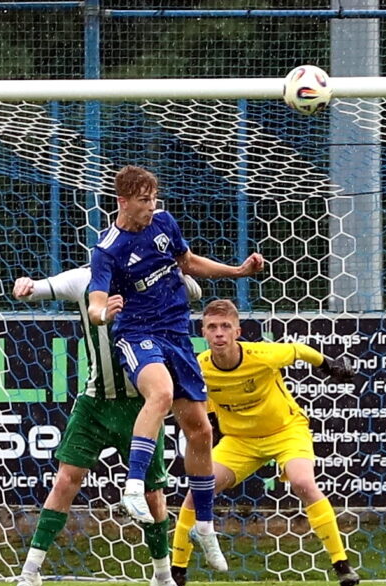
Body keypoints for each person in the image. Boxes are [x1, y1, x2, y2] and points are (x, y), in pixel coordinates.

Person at [87, 165, 263, 553]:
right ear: (123, 202)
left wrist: (236, 271)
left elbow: (187, 262)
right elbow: (95, 302)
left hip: (177, 334)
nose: (151, 207)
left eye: (153, 199)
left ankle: (203, 523)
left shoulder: (164, 223)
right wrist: (103, 314)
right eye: (143, 201)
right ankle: (133, 487)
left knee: (200, 430)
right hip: (137, 334)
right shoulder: (107, 250)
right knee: (160, 393)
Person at [8, 265, 203, 586]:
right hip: (96, 403)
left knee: (154, 494)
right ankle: (30, 574)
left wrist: (173, 274)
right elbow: (35, 289)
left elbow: (195, 292)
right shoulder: (83, 280)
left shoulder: (153, 273)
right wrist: (26, 286)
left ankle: (163, 579)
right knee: (66, 481)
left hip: (141, 407)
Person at [170, 298, 361, 586]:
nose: (219, 333)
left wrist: (327, 365)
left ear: (238, 331)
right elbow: (199, 408)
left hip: (285, 430)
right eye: (212, 327)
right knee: (198, 492)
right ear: (203, 333)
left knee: (302, 482)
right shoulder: (199, 369)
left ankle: (342, 564)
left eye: (225, 327)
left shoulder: (263, 355)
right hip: (240, 441)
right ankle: (177, 571)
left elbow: (297, 351)